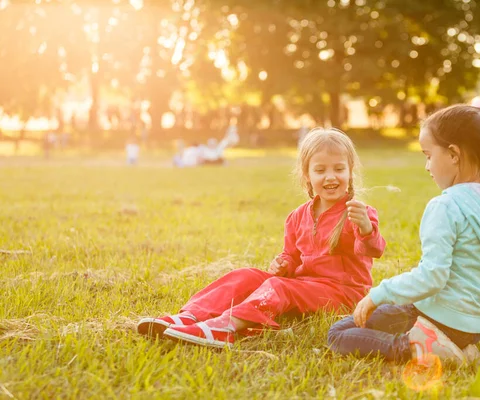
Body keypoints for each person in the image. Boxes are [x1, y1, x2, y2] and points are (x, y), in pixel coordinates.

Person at [137, 128, 386, 348]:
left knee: (278, 287)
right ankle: (191, 316)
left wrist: (365, 228)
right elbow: (292, 255)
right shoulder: (297, 216)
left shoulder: (357, 212)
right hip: (302, 286)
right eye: (320, 170)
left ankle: (224, 328)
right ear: (307, 175)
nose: (330, 176)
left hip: (341, 294)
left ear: (350, 173)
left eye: (339, 169)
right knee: (246, 275)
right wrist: (284, 263)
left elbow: (374, 249)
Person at [328, 101, 480, 366]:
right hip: (474, 327)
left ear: (454, 154)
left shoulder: (446, 205)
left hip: (438, 317)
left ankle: (419, 348)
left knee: (339, 333)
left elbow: (432, 277)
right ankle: (458, 347)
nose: (427, 166)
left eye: (428, 155)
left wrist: (377, 294)